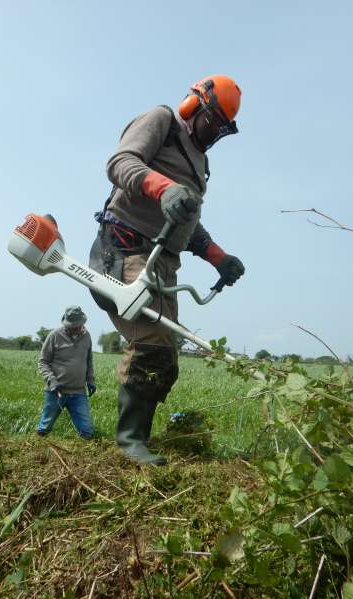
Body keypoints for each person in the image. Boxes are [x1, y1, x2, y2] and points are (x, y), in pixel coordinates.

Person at [89, 75, 246, 465]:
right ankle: (129, 443)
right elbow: (119, 162)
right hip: (125, 249)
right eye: (212, 123)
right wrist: (164, 188)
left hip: (161, 262)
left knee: (165, 357)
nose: (213, 135)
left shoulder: (199, 163)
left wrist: (219, 258)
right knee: (153, 343)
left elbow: (187, 224)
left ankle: (138, 437)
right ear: (195, 105)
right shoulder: (162, 120)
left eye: (221, 131)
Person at [36, 305, 96, 439]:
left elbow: (89, 360)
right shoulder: (55, 336)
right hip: (56, 392)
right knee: (45, 427)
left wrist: (90, 380)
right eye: (72, 326)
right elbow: (42, 362)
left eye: (77, 326)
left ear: (82, 323)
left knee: (87, 431)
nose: (75, 328)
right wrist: (52, 381)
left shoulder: (87, 336)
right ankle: (38, 446)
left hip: (78, 392)